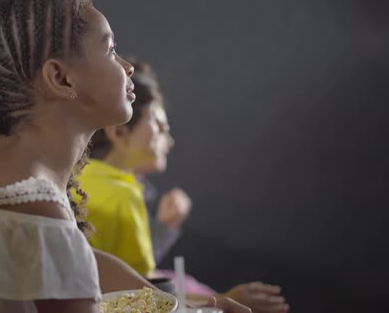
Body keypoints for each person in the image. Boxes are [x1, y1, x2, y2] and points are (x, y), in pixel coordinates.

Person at [0, 0, 249, 313]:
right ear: (61, 79)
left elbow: (78, 260)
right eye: (109, 49)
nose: (127, 66)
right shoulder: (35, 205)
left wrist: (192, 304)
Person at [80, 59, 289, 313]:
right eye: (158, 127)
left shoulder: (79, 178)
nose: (169, 139)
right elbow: (144, 294)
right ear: (119, 132)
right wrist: (221, 299)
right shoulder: (123, 195)